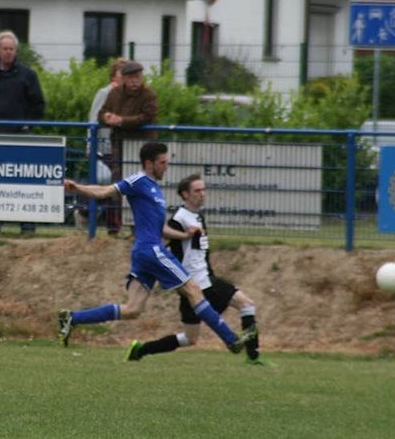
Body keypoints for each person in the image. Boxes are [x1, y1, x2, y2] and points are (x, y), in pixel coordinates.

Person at [58, 142, 257, 355]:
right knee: (193, 289)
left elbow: (160, 228)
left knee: (133, 309)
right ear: (149, 163)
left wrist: (184, 235)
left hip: (144, 252)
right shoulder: (138, 181)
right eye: (162, 163)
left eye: (166, 162)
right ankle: (231, 339)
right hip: (151, 250)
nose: (166, 167)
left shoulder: (155, 190)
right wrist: (78, 188)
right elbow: (105, 191)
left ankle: (72, 318)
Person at [124, 174, 265, 364]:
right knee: (247, 304)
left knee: (190, 338)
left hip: (196, 284)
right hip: (200, 283)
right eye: (197, 190)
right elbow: (159, 243)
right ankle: (253, 356)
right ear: (185, 194)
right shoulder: (179, 219)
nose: (202, 194)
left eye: (203, 190)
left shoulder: (197, 216)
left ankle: (141, 350)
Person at [0, 31, 45, 235]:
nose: (8, 52)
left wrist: (27, 125)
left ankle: (27, 224)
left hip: (21, 136)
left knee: (23, 180)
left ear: (16, 51)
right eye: (5, 49)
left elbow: (38, 104)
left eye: (11, 49)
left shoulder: (28, 75)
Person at [98, 60, 158, 234]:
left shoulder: (149, 95)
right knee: (117, 186)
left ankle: (137, 228)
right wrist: (106, 117)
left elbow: (147, 117)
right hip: (119, 145)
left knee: (141, 187)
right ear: (123, 78)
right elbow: (101, 113)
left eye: (138, 77)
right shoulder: (114, 93)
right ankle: (113, 228)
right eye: (131, 77)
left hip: (142, 147)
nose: (135, 81)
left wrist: (121, 121)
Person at [77, 58, 125, 228]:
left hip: (121, 146)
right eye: (121, 73)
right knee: (106, 182)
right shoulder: (104, 93)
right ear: (113, 75)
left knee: (117, 185)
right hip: (105, 147)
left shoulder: (128, 96)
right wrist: (91, 145)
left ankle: (113, 224)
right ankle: (84, 212)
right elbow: (93, 120)